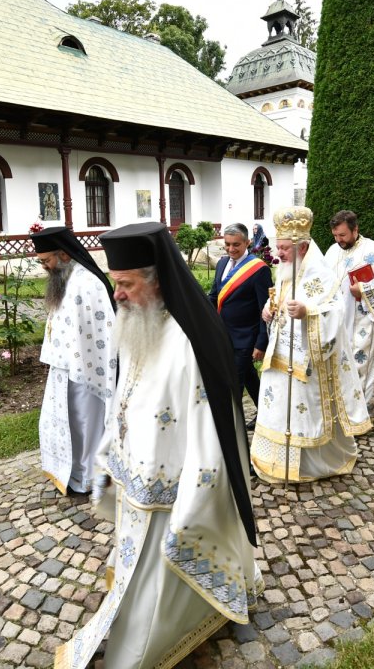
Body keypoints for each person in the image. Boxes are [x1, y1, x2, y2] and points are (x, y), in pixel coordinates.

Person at [58, 222, 258, 669]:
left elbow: (211, 432)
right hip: (136, 480)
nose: (118, 295)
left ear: (158, 282)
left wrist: (194, 503)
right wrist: (110, 452)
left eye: (126, 284)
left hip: (175, 493)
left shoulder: (191, 343)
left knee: (159, 579)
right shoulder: (136, 325)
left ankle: (162, 634)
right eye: (116, 284)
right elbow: (125, 396)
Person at [251, 206, 371, 484]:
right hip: (281, 356)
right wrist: (269, 311)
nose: (278, 254)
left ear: (302, 247)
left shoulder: (321, 274)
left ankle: (315, 463)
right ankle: (277, 460)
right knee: (279, 407)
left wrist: (308, 312)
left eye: (284, 249)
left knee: (305, 411)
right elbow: (278, 303)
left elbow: (335, 312)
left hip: (309, 362)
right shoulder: (285, 271)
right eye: (278, 248)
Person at [32, 226, 116, 496]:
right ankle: (71, 473)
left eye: (47, 260)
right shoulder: (64, 280)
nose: (45, 267)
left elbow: (100, 332)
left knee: (84, 424)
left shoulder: (86, 283)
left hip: (87, 371)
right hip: (63, 370)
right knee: (68, 425)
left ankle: (89, 478)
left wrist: (83, 365)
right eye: (41, 261)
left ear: (65, 255)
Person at [324, 210, 374, 414]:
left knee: (360, 365)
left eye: (343, 235)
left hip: (363, 319)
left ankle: (361, 413)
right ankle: (341, 410)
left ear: (355, 229)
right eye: (335, 236)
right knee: (338, 365)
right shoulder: (332, 251)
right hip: (338, 321)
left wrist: (364, 290)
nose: (339, 240)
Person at [209, 222, 274, 423]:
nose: (231, 249)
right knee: (249, 378)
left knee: (234, 383)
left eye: (236, 244)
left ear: (247, 242)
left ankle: (228, 426)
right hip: (223, 334)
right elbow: (214, 297)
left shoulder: (259, 269)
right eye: (227, 244)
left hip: (246, 338)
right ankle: (268, 415)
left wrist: (261, 343)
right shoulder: (221, 263)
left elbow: (266, 308)